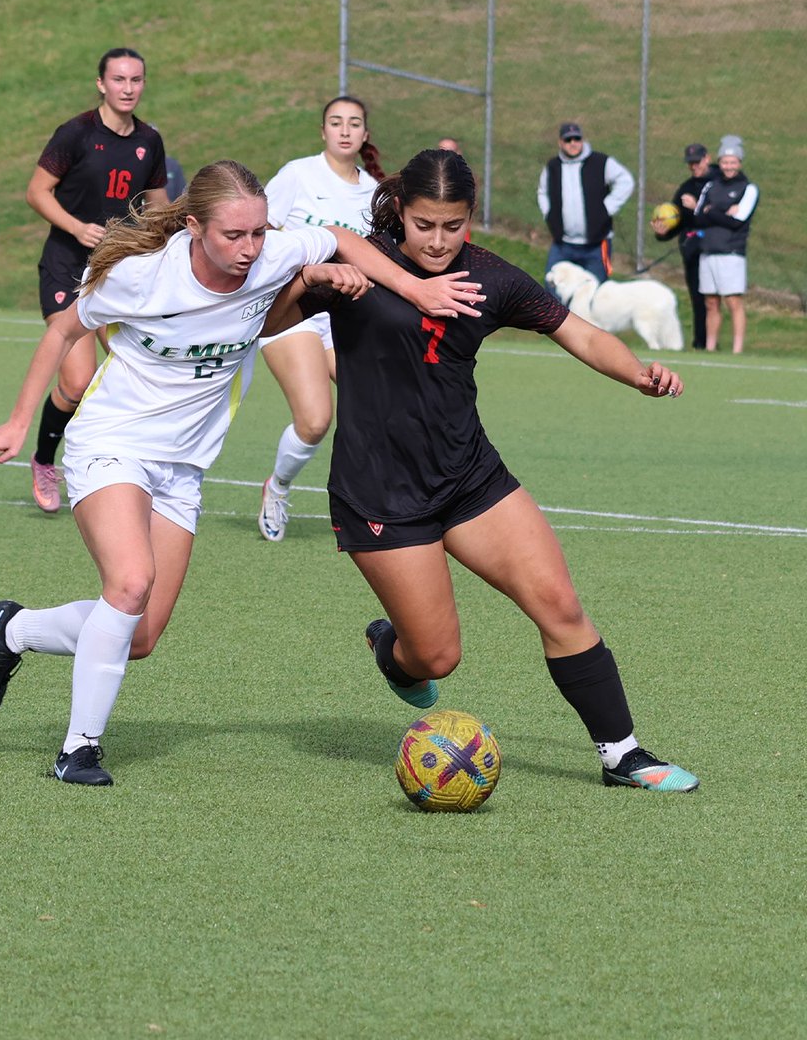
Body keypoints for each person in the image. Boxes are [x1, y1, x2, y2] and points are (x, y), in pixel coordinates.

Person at [0, 160, 484, 787]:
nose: (250, 249)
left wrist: (414, 289)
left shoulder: (268, 255)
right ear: (192, 228)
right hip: (111, 444)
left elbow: (342, 239)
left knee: (141, 633)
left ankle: (13, 628)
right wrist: (19, 424)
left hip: (182, 470)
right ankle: (79, 749)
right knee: (129, 586)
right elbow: (62, 332)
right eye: (234, 236)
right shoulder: (141, 278)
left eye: (259, 234)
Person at [267, 148, 698, 793]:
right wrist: (311, 284)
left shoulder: (491, 278)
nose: (438, 241)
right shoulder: (361, 267)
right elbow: (270, 323)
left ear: (469, 218)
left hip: (471, 478)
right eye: (423, 225)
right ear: (400, 215)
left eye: (453, 225)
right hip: (381, 493)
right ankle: (395, 653)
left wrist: (637, 372)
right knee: (436, 656)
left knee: (560, 605)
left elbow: (575, 331)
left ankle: (622, 754)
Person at [25, 48, 170, 514]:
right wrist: (75, 227)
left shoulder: (150, 140)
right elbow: (36, 192)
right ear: (101, 84)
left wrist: (160, 242)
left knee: (136, 367)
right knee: (78, 378)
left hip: (116, 269)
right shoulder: (76, 133)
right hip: (67, 264)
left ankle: (123, 469)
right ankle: (45, 460)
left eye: (137, 79)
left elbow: (159, 207)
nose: (128, 87)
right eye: (119, 79)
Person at [256, 96, 385, 542]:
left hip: (343, 314)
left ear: (365, 134)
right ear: (323, 131)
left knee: (377, 409)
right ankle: (278, 486)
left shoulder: (373, 192)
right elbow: (260, 233)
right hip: (290, 310)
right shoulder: (297, 175)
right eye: (336, 122)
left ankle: (374, 504)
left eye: (354, 123)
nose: (345, 130)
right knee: (314, 420)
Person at [538, 122, 634, 283]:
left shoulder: (601, 162)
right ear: (560, 143)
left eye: (577, 139)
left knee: (594, 296)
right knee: (552, 294)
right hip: (563, 245)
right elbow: (542, 191)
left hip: (596, 245)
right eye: (568, 140)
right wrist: (549, 213)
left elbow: (626, 181)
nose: (573, 143)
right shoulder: (552, 167)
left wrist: (607, 208)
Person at [650, 142, 718, 350]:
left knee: (718, 301)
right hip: (692, 252)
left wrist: (696, 206)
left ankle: (719, 346)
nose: (694, 166)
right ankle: (700, 344)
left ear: (707, 158)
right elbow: (676, 220)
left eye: (697, 161)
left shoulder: (719, 182)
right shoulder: (686, 187)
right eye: (690, 163)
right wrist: (663, 231)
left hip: (716, 249)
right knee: (698, 299)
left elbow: (719, 214)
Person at [695, 135, 759, 355]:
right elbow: (698, 217)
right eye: (725, 162)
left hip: (731, 252)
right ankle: (710, 347)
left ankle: (737, 350)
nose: (729, 166)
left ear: (739, 163)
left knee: (733, 301)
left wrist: (712, 212)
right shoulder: (711, 185)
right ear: (720, 162)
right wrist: (720, 212)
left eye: (733, 162)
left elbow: (737, 221)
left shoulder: (748, 188)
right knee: (711, 302)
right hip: (708, 250)